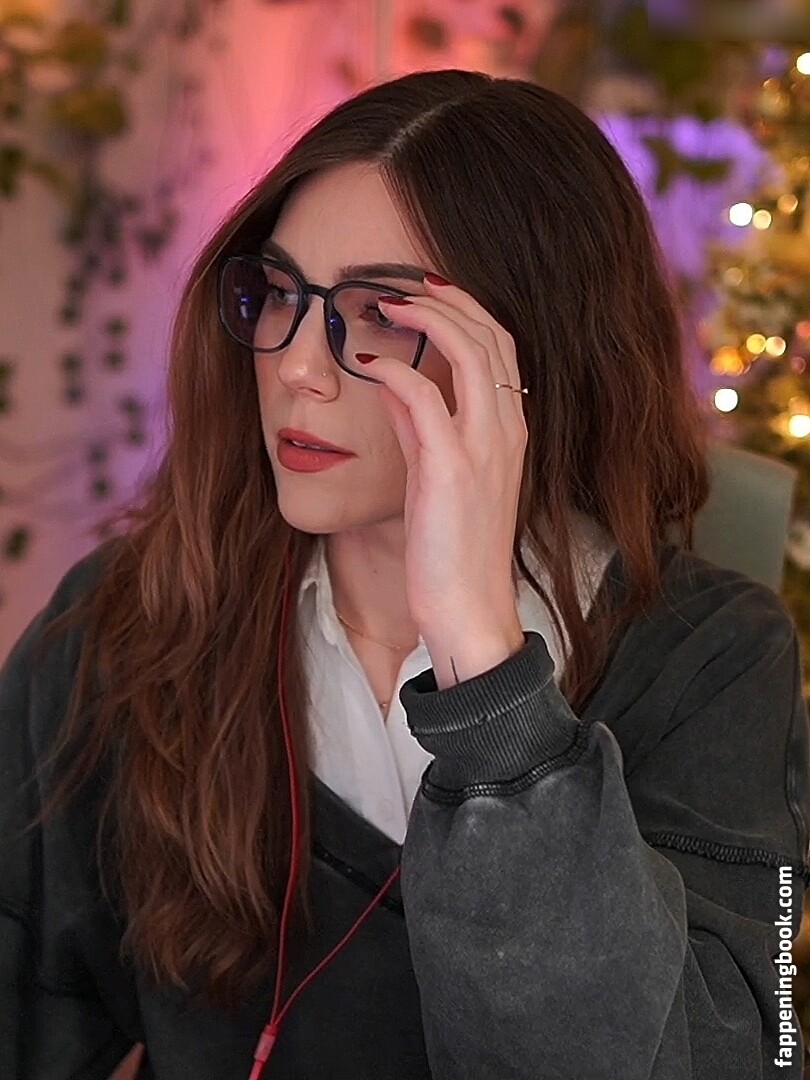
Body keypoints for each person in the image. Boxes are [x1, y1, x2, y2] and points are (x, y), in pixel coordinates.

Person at [0, 67, 808, 1080]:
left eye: (383, 313)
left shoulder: (715, 657)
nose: (298, 366)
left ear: (535, 358)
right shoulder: (133, 616)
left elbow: (728, 1055)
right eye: (282, 294)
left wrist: (484, 666)